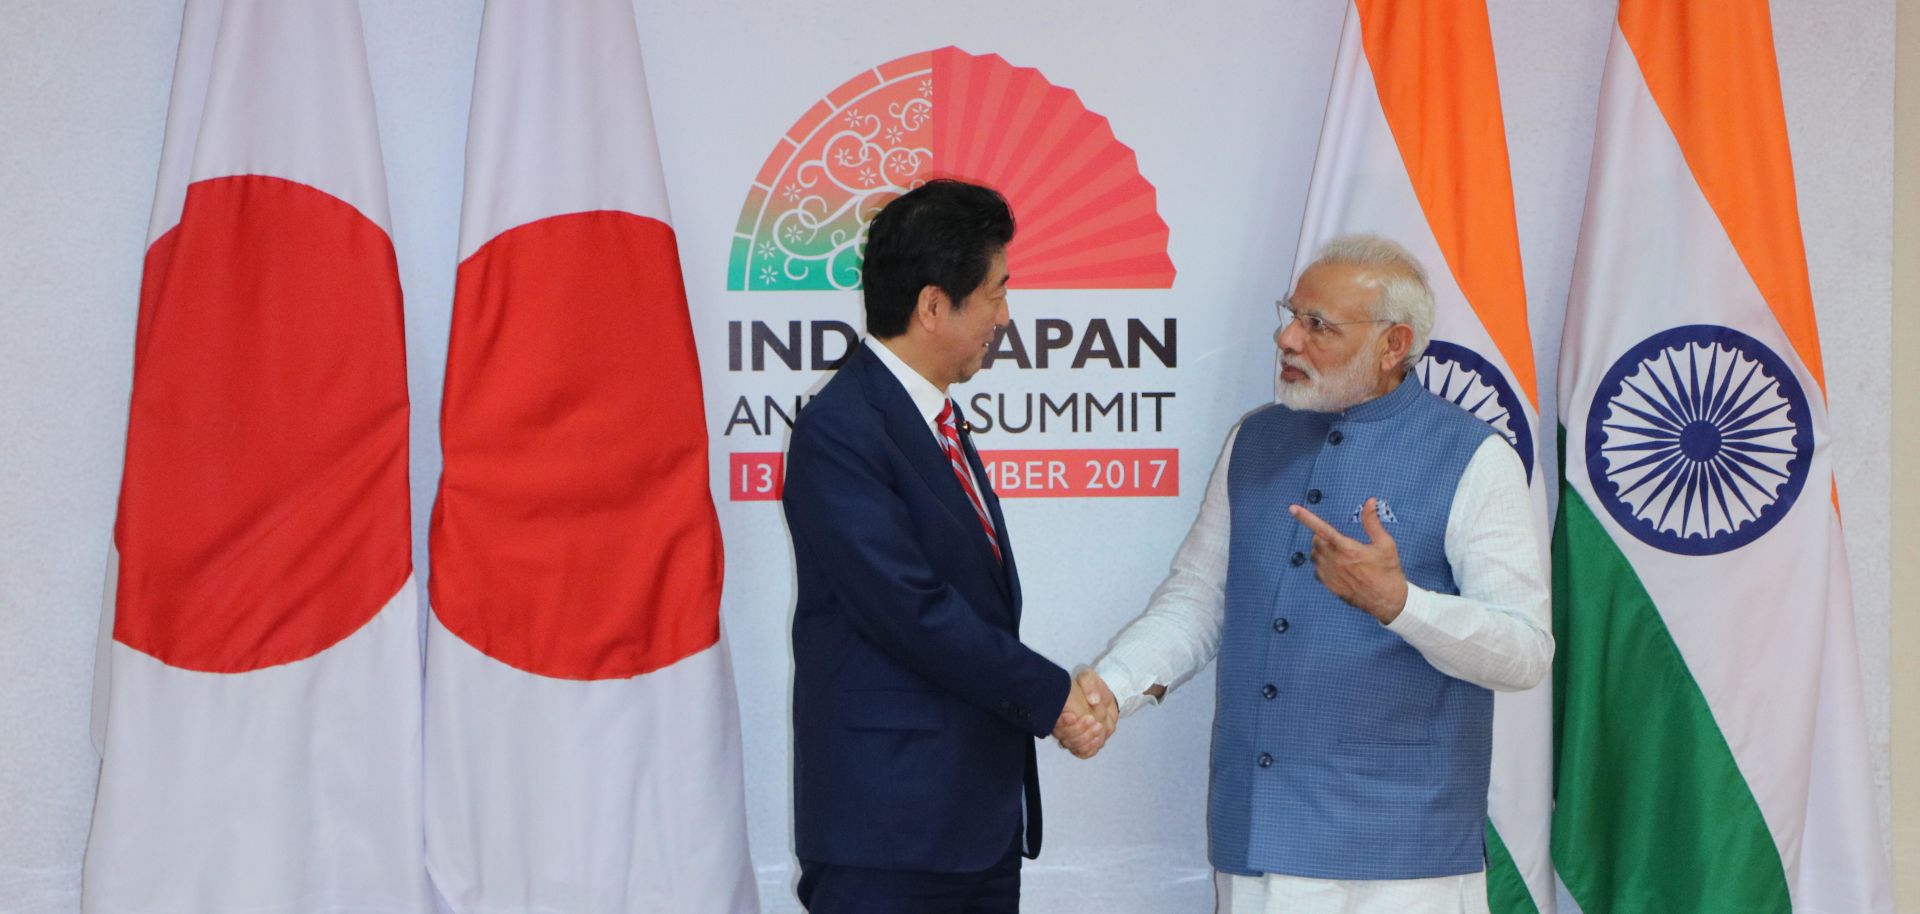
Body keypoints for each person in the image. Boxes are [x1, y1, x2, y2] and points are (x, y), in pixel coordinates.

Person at [1075, 234, 1553, 914]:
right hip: (1260, 844)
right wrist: (1114, 689)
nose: (1287, 339)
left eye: (1317, 326)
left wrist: (1400, 604)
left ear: (1394, 345)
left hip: (1402, 862)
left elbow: (1525, 653)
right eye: (1292, 314)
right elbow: (1199, 600)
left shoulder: (1473, 457)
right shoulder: (1255, 438)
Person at [781, 178, 1110, 914]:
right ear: (934, 306)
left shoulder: (934, 421)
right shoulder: (842, 429)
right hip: (888, 836)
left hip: (971, 826)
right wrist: (1053, 695)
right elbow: (912, 609)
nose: (1004, 314)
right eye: (995, 292)